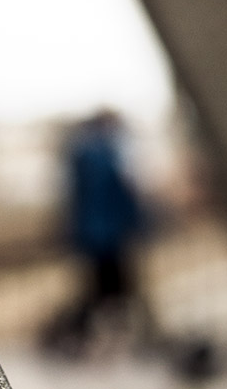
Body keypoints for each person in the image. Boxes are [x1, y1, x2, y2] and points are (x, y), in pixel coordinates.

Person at [44, 109, 149, 358]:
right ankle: (103, 340)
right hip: (109, 235)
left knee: (100, 289)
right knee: (113, 291)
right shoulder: (108, 154)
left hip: (91, 234)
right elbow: (122, 194)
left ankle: (86, 338)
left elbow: (73, 197)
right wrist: (140, 224)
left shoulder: (79, 152)